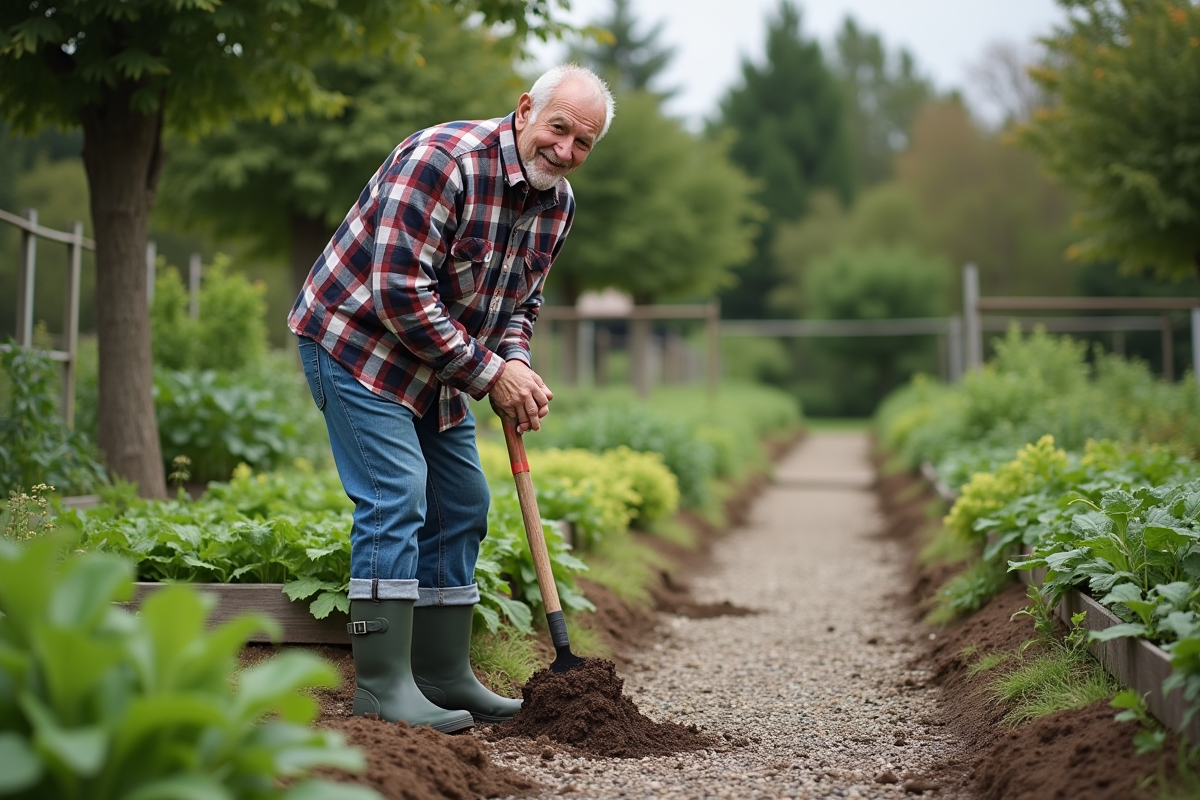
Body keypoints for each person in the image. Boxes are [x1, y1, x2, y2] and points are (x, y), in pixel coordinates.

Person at [288, 64, 614, 733]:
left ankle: (441, 675)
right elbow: (399, 291)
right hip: (358, 342)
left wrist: (516, 367)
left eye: (584, 142)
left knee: (462, 501)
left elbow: (520, 305)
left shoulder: (558, 206)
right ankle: (381, 688)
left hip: (438, 365)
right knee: (396, 493)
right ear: (525, 110)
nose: (566, 150)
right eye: (559, 128)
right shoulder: (443, 162)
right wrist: (490, 374)